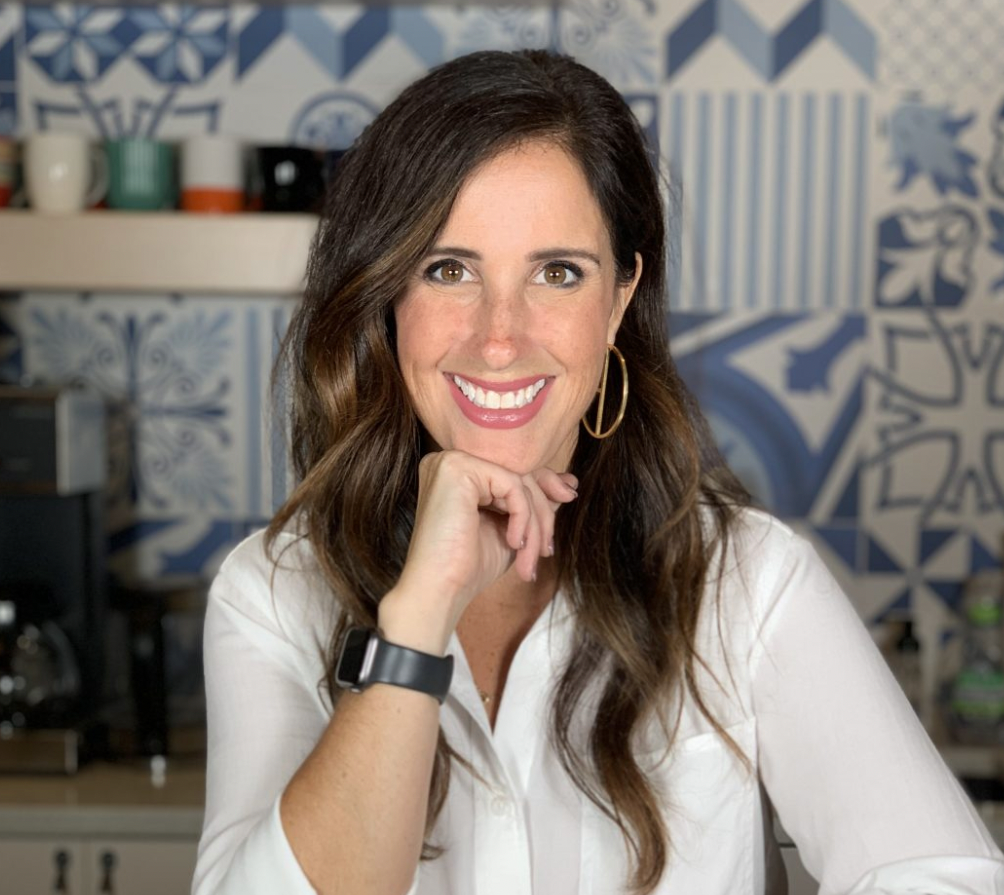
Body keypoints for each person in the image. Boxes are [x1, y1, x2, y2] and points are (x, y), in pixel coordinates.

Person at [192, 49, 1004, 895]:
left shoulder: (747, 583)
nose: (498, 336)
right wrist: (417, 618)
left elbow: (945, 877)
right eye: (448, 269)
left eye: (557, 273)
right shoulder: (275, 593)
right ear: (386, 300)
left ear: (618, 299)